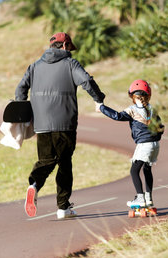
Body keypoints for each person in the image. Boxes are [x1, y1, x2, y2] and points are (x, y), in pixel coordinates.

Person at [15, 32, 105, 219]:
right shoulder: (71, 64)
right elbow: (87, 81)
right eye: (69, 48)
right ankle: (63, 207)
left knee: (46, 160)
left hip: (41, 124)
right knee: (64, 163)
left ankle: (34, 185)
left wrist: (23, 109)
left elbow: (20, 88)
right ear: (64, 46)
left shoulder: (35, 66)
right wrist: (99, 99)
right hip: (65, 124)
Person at [96, 79, 164, 207]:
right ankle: (148, 198)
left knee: (134, 171)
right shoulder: (153, 109)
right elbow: (161, 127)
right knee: (147, 169)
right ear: (148, 96)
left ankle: (140, 198)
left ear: (132, 96)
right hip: (156, 145)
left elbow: (117, 116)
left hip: (144, 145)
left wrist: (101, 107)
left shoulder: (133, 110)